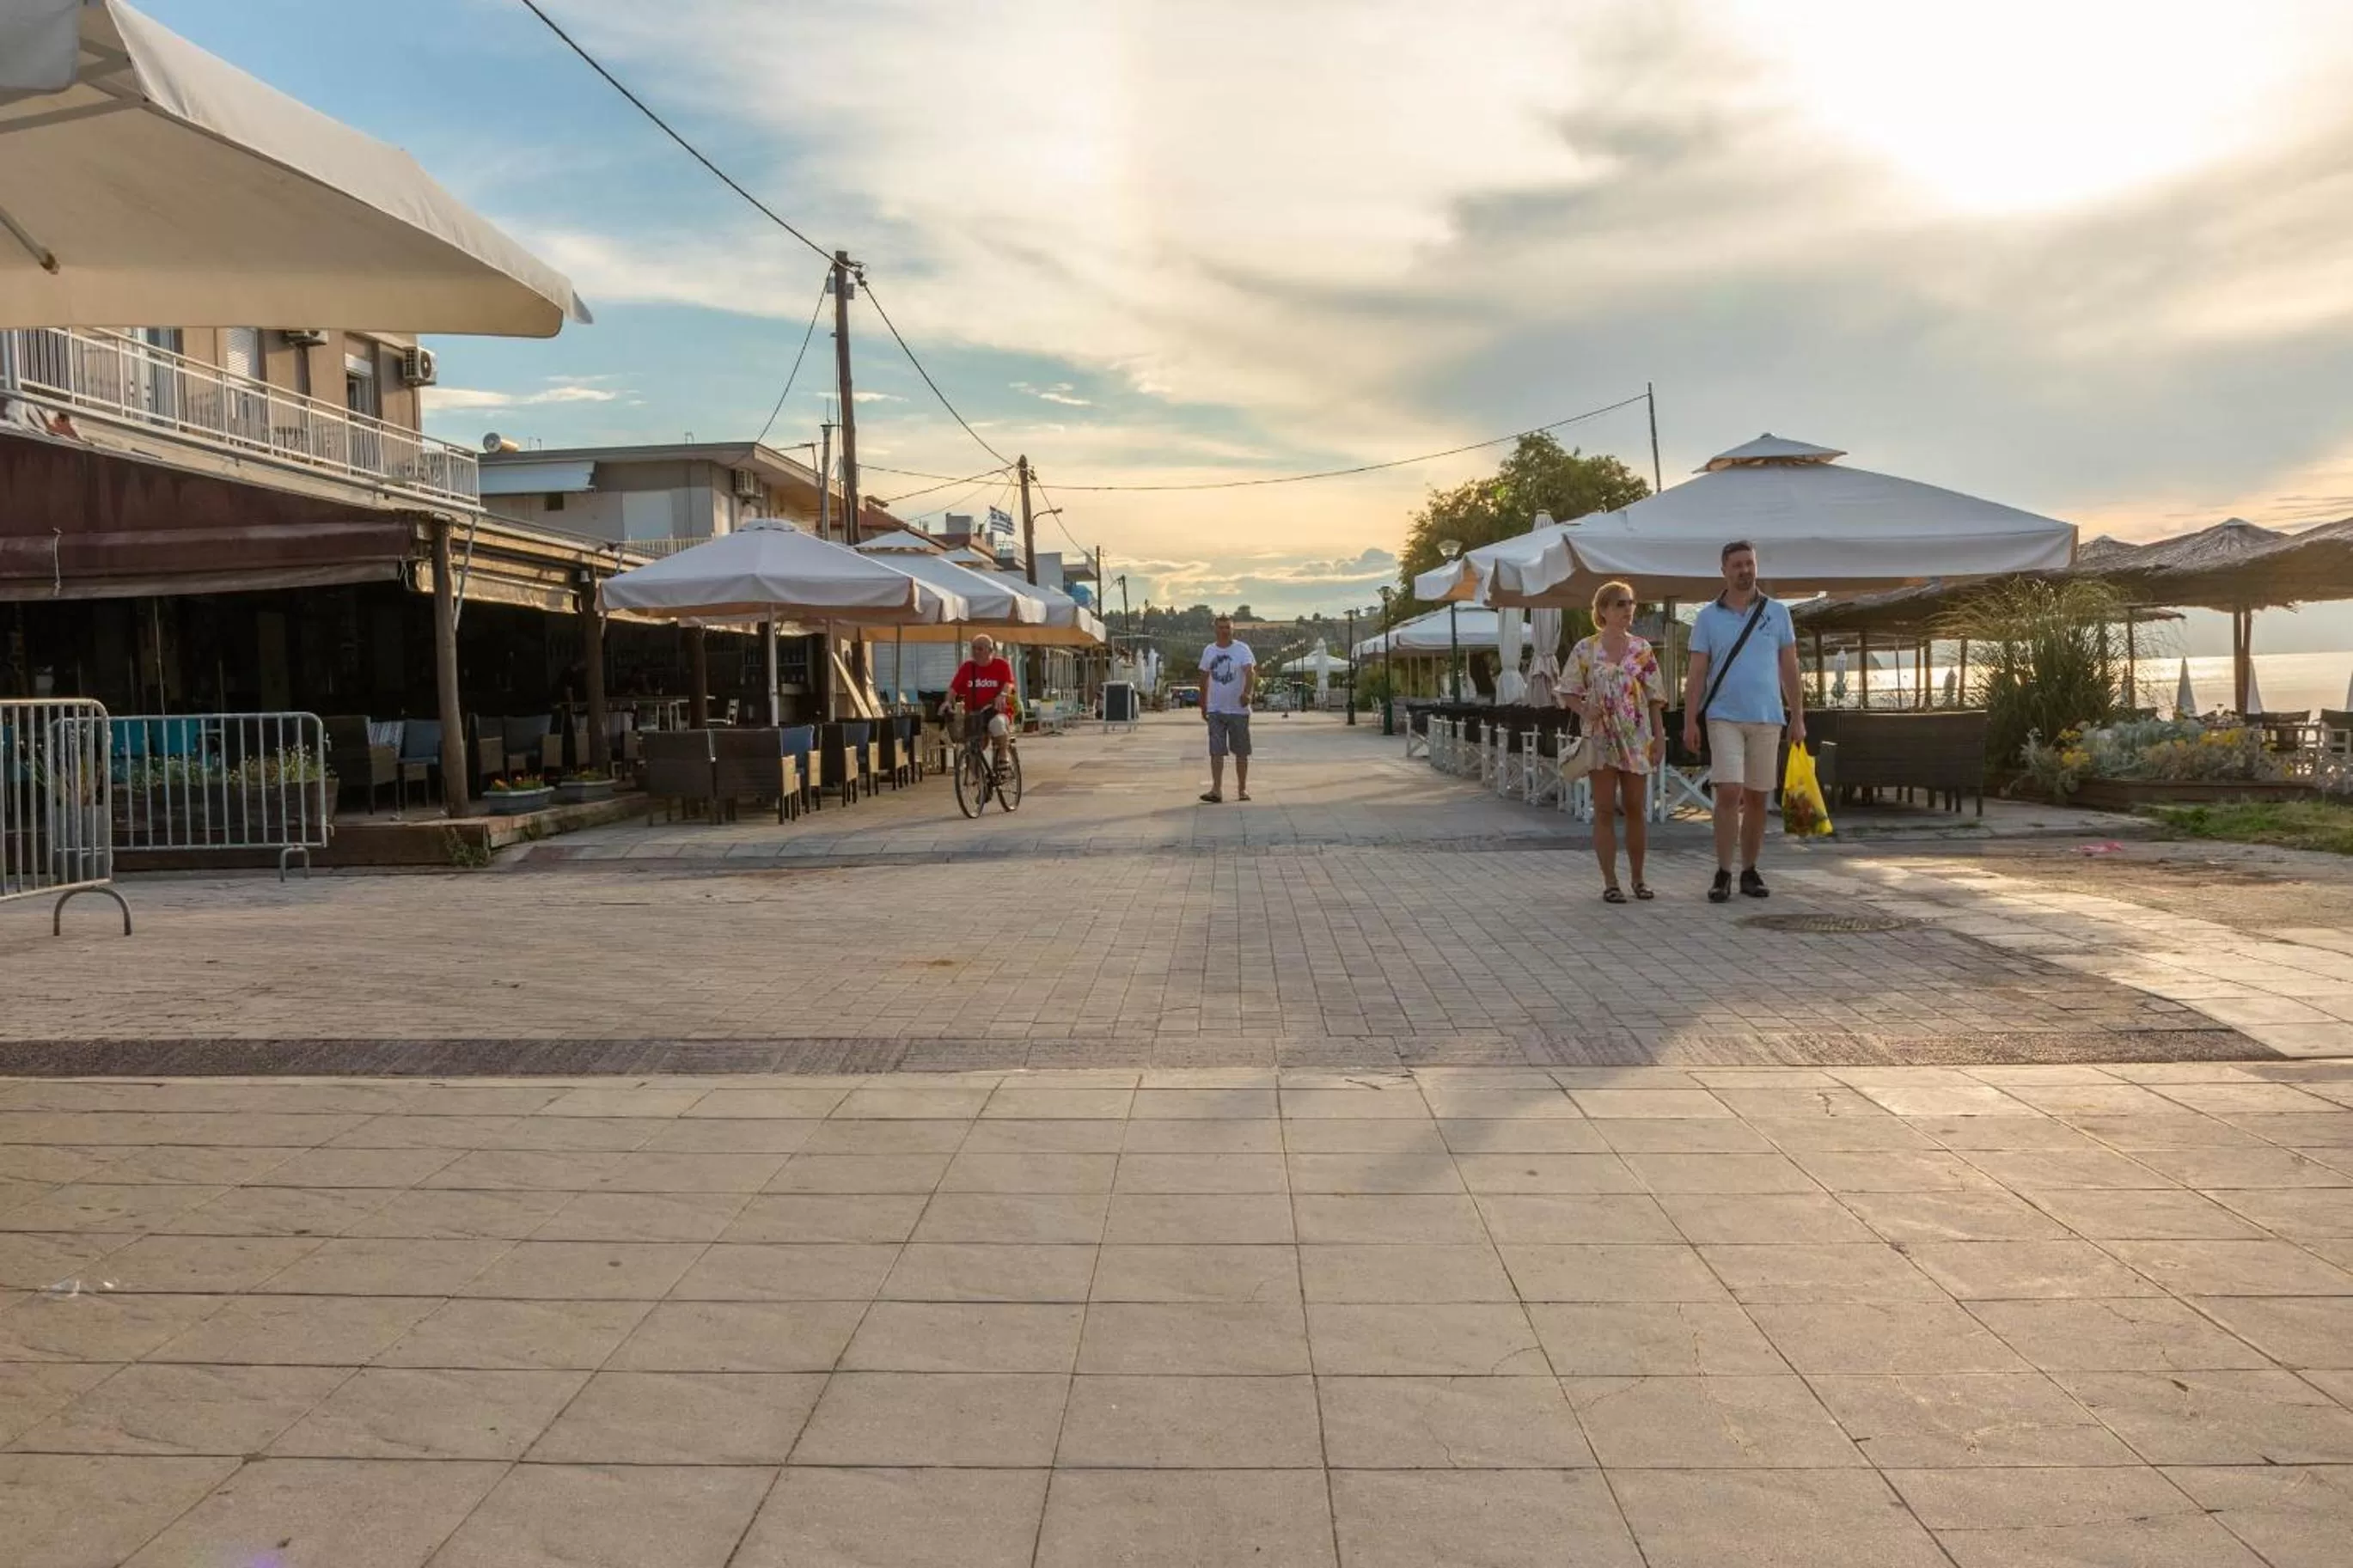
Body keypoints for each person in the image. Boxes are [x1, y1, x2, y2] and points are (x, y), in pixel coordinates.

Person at [1682, 540, 1805, 902]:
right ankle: (1723, 870)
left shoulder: (1777, 614)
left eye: (1749, 563)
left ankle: (1749, 869)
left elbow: (1790, 667)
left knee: (1757, 796)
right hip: (1724, 716)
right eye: (1737, 565)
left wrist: (1798, 715)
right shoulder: (1707, 618)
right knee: (1729, 789)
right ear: (1724, 570)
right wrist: (1690, 721)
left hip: (1768, 716)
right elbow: (1697, 673)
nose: (1744, 570)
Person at [1563, 580, 1668, 902]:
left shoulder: (1642, 649)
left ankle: (1638, 878)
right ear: (1604, 609)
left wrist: (1659, 736)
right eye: (1621, 603)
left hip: (1635, 736)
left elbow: (1654, 696)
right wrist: (1584, 709)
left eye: (1631, 603)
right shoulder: (1586, 648)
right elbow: (1567, 690)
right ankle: (1610, 881)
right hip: (1601, 737)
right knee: (1605, 809)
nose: (1628, 609)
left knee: (1636, 807)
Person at [1197, 613, 1256, 802]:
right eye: (1221, 628)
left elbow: (1250, 672)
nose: (1224, 631)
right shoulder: (1209, 651)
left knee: (1241, 751)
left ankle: (1242, 789)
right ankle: (1216, 789)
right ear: (1215, 629)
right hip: (1216, 709)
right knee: (1216, 750)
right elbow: (1203, 678)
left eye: (1227, 628)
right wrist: (1203, 704)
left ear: (1233, 629)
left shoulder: (1242, 649)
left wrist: (1247, 693)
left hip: (1238, 710)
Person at [949, 633, 1017, 773]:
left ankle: (1003, 756)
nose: (976, 652)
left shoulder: (1001, 665)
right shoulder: (967, 667)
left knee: (997, 725)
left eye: (980, 649)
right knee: (974, 747)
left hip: (996, 711)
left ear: (991, 651)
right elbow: (954, 690)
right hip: (974, 713)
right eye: (974, 648)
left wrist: (1002, 695)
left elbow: (1008, 684)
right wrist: (948, 702)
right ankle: (978, 784)